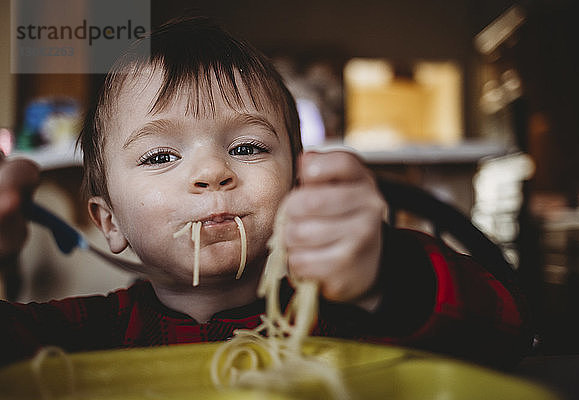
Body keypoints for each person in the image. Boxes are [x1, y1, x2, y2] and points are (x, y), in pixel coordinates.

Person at [0, 16, 531, 370]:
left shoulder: (348, 312)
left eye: (248, 147)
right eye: (161, 156)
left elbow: (505, 333)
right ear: (109, 221)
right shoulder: (87, 336)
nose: (212, 172)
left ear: (297, 183)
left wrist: (383, 275)